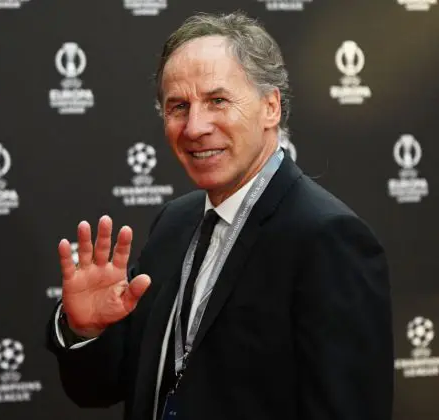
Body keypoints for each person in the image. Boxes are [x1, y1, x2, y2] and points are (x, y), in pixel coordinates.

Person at [46, 11, 394, 420]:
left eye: (217, 101)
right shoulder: (174, 224)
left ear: (270, 107)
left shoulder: (327, 238)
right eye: (178, 106)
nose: (195, 127)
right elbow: (99, 389)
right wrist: (88, 331)